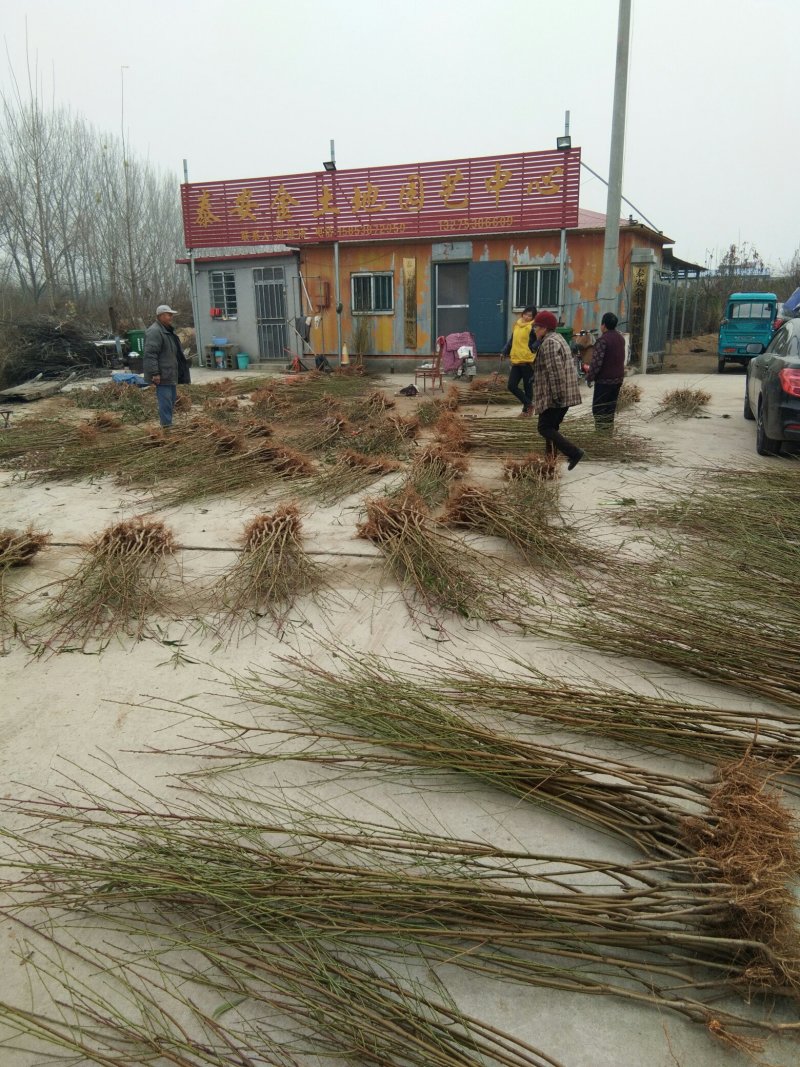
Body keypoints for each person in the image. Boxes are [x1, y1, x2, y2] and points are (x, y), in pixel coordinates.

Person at [530, 310, 584, 470]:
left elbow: (555, 372)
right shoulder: (557, 338)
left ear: (545, 328)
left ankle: (574, 452)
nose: (534, 329)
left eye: (537, 327)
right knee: (552, 429)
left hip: (555, 395)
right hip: (561, 393)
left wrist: (557, 396)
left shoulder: (550, 343)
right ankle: (550, 463)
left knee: (544, 428)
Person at [143, 304, 191, 428]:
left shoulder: (167, 331)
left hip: (170, 373)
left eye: (171, 315)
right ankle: (166, 427)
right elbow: (150, 354)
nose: (171, 317)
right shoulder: (155, 331)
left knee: (171, 400)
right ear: (161, 316)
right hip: (162, 375)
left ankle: (168, 423)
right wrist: (155, 373)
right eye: (169, 315)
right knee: (165, 401)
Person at [584, 312, 626, 431]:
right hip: (617, 380)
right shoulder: (620, 338)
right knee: (610, 410)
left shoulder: (603, 340)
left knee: (599, 410)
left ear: (603, 325)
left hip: (604, 382)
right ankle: (608, 434)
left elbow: (597, 363)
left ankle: (601, 435)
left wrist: (589, 377)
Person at [500, 305, 538, 417]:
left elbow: (539, 341)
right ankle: (529, 404)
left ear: (533, 317)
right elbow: (512, 341)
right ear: (523, 314)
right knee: (511, 385)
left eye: (530, 315)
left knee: (528, 387)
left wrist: (533, 349)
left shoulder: (533, 327)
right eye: (525, 314)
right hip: (516, 360)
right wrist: (504, 352)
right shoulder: (517, 324)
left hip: (527, 361)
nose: (527, 317)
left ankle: (526, 411)